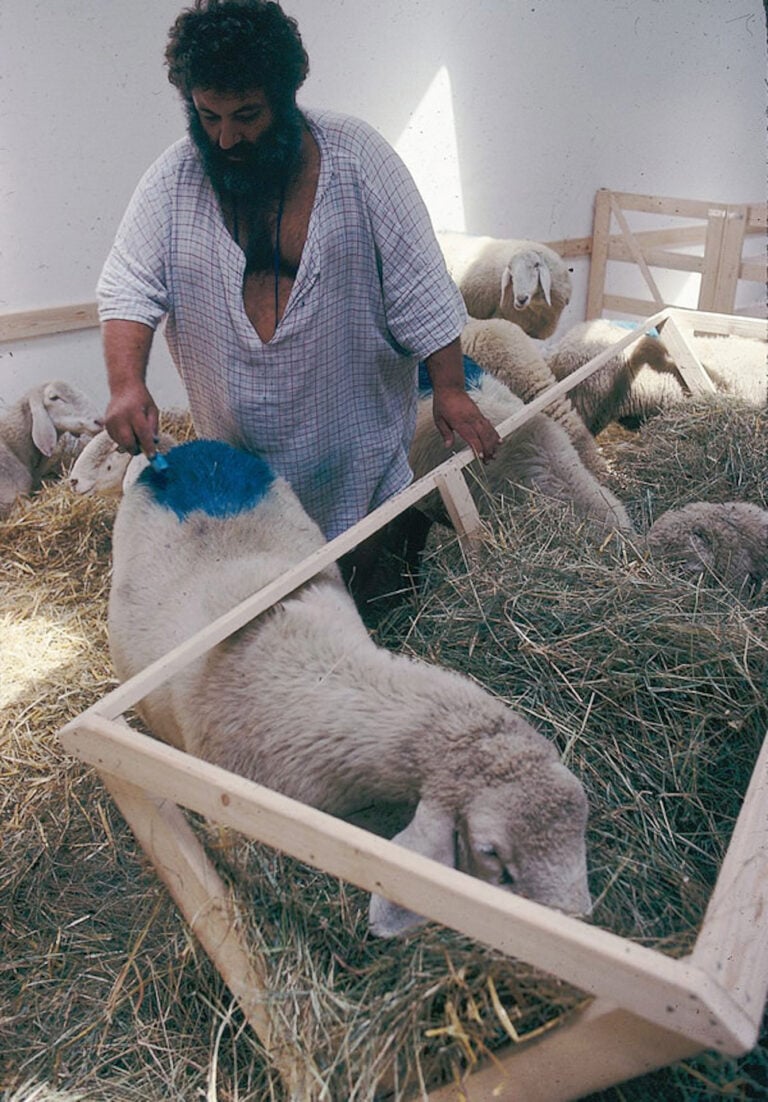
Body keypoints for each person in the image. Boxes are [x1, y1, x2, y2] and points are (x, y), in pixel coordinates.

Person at [97, 0, 500, 589]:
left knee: (374, 604)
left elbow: (420, 282)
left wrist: (450, 390)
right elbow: (129, 285)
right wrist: (126, 383)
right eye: (208, 116)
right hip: (243, 462)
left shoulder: (357, 158)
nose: (226, 138)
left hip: (353, 454)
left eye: (246, 115)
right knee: (276, 614)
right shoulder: (175, 177)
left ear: (285, 97)